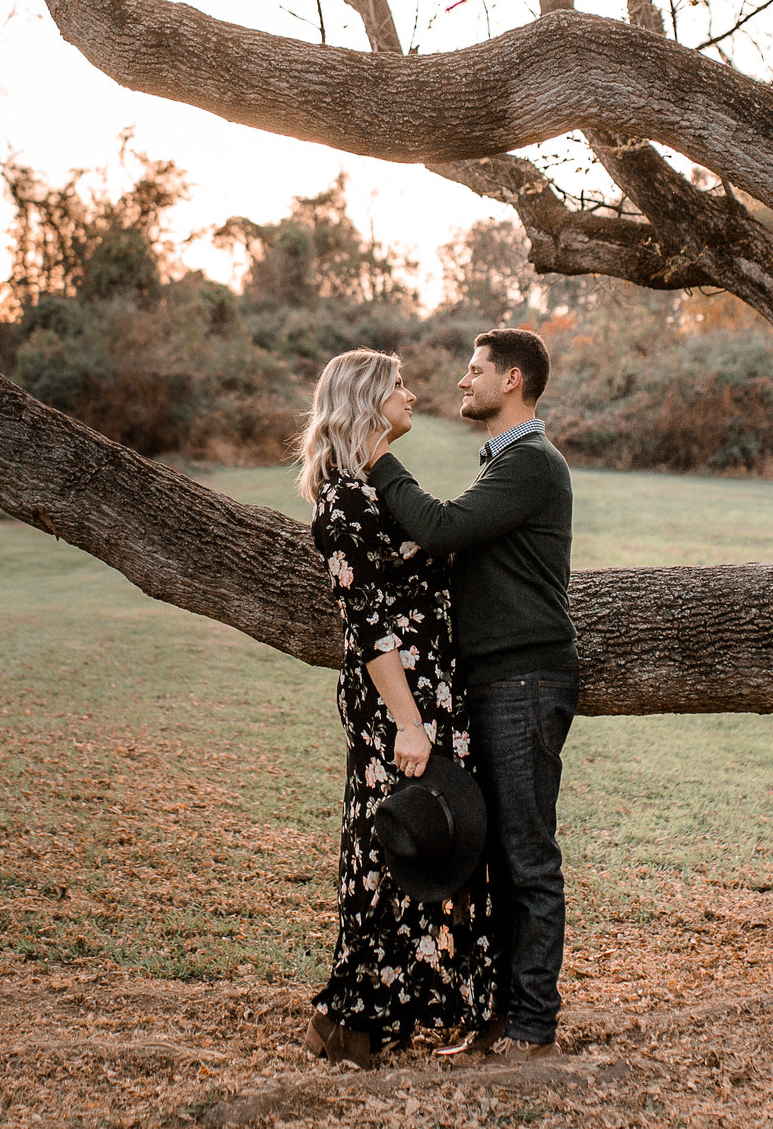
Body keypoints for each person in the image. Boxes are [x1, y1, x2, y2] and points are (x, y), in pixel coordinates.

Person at [366, 328, 573, 1060]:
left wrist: (379, 460)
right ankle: (501, 1019)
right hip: (495, 682)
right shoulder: (506, 463)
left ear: (512, 379)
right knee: (495, 853)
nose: (463, 380)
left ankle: (532, 1027)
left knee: (526, 855)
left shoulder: (531, 464)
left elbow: (443, 526)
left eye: (475, 369)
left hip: (525, 682)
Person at [299, 348, 495, 1066]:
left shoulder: (379, 488)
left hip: (435, 694)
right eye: (399, 386)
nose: (413, 394)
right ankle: (352, 1019)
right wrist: (408, 721)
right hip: (397, 704)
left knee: (440, 848)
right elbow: (368, 623)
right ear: (365, 400)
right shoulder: (343, 500)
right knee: (392, 850)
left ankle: (419, 1008)